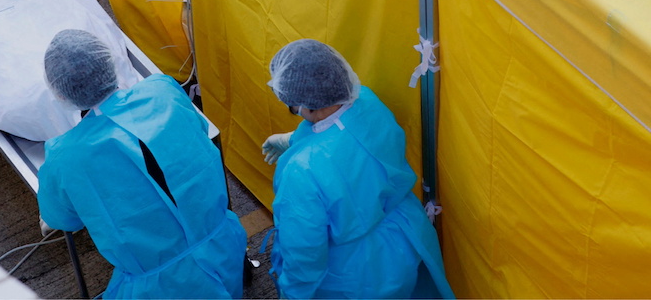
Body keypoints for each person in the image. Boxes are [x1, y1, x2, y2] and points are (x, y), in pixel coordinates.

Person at [38, 29, 248, 299]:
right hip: (224, 248)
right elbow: (198, 130)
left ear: (60, 94)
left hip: (159, 289)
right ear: (108, 64)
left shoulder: (64, 156)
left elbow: (60, 218)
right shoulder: (164, 91)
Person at [261, 39, 454, 299]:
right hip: (402, 245)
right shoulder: (367, 100)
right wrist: (293, 139)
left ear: (304, 104)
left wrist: (292, 295)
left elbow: (304, 254)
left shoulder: (302, 172)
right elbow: (348, 139)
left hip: (352, 275)